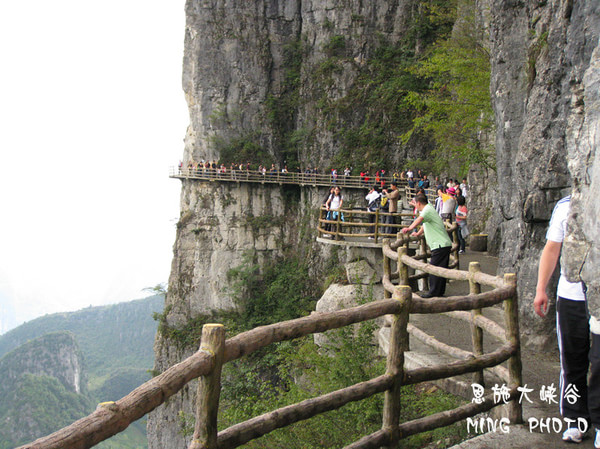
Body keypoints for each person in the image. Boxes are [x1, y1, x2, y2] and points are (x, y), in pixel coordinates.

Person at [534, 196, 600, 446]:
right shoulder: (565, 206)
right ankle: (576, 420)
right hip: (571, 295)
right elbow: (552, 248)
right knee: (572, 361)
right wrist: (541, 289)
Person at [402, 193, 452, 298]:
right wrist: (418, 233)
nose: (414, 205)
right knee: (441, 269)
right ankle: (439, 292)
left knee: (433, 269)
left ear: (418, 203)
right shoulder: (429, 208)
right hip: (442, 244)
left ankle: (433, 292)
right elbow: (425, 225)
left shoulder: (427, 210)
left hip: (440, 244)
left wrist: (409, 228)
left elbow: (419, 220)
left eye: (415, 204)